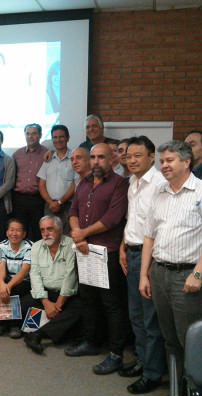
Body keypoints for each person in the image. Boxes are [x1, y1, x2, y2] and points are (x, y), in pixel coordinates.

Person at [139, 140, 202, 396]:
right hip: (159, 274)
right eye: (162, 161)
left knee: (192, 341)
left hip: (187, 276)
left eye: (170, 160)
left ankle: (198, 392)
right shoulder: (159, 193)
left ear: (186, 162)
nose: (164, 165)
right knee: (170, 340)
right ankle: (178, 392)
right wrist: (144, 274)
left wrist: (199, 273)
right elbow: (149, 237)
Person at [66, 143, 129, 376]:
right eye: (92, 157)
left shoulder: (120, 184)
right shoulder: (82, 183)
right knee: (88, 299)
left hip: (107, 252)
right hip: (83, 251)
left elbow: (113, 218)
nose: (95, 161)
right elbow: (72, 212)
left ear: (112, 159)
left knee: (111, 304)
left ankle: (115, 353)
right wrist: (77, 234)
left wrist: (83, 233)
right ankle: (91, 342)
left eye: (101, 157)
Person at [118, 136, 166, 394]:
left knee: (150, 320)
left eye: (138, 155)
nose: (132, 160)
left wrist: (146, 266)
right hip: (132, 253)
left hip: (151, 258)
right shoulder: (132, 183)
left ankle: (153, 373)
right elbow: (132, 220)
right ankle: (142, 361)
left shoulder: (159, 184)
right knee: (136, 316)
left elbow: (158, 227)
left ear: (151, 157)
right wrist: (124, 247)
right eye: (129, 155)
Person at [21, 215, 80, 355]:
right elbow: (34, 275)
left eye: (50, 229)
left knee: (81, 308)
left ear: (60, 230)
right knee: (23, 303)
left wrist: (58, 304)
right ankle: (57, 330)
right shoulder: (36, 246)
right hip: (46, 294)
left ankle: (37, 334)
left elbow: (70, 276)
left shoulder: (71, 245)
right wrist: (46, 302)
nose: (46, 234)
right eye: (42, 230)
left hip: (65, 295)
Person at [0, 218, 32, 339]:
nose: (14, 233)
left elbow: (24, 271)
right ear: (7, 232)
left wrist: (8, 286)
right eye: (11, 230)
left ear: (24, 234)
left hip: (25, 281)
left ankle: (14, 325)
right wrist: (2, 284)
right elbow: (1, 266)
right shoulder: (2, 245)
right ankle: (0, 324)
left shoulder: (29, 247)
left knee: (14, 289)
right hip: (8, 278)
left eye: (18, 231)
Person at [12, 123, 48, 241]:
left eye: (34, 133)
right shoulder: (17, 154)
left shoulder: (47, 153)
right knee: (19, 231)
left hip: (37, 198)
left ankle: (36, 257)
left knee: (38, 231)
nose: (30, 136)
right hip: (19, 199)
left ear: (40, 135)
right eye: (28, 134)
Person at [37, 124, 75, 234]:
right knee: (49, 236)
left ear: (67, 138)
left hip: (68, 206)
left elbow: (75, 184)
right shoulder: (48, 159)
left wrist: (59, 202)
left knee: (67, 237)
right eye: (55, 137)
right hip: (49, 206)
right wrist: (51, 203)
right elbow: (41, 185)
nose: (58, 140)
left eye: (61, 137)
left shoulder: (74, 158)